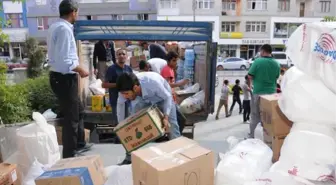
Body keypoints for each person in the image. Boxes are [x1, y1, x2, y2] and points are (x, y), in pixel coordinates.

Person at [47, 0, 92, 158]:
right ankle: (69, 154)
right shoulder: (64, 29)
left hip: (59, 78)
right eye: (77, 12)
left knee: (78, 111)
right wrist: (82, 71)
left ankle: (79, 143)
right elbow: (67, 60)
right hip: (65, 78)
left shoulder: (55, 26)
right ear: (73, 12)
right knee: (71, 117)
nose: (77, 15)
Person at [116, 72, 181, 165]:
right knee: (132, 126)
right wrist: (121, 128)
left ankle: (178, 156)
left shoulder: (153, 83)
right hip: (141, 99)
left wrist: (166, 117)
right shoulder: (124, 90)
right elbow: (120, 106)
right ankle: (129, 157)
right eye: (123, 94)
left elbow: (167, 97)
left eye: (126, 94)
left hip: (163, 98)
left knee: (172, 125)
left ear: (135, 88)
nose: (125, 97)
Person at [248, 44, 280, 138]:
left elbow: (250, 75)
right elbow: (277, 76)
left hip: (259, 93)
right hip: (272, 95)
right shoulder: (276, 63)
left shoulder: (258, 61)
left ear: (262, 51)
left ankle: (253, 137)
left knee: (255, 116)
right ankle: (268, 138)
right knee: (269, 117)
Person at [160, 51, 189, 133]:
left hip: (172, 99)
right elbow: (167, 85)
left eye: (176, 60)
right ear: (168, 61)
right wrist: (181, 83)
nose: (176, 63)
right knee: (180, 120)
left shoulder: (171, 70)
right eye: (174, 60)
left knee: (180, 120)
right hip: (168, 100)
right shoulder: (167, 70)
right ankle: (175, 138)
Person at [102, 49, 133, 125]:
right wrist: (118, 84)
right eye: (119, 54)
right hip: (116, 101)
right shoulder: (112, 69)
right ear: (116, 56)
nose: (121, 56)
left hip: (128, 101)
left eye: (123, 54)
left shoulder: (129, 69)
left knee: (128, 124)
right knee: (118, 125)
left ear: (127, 56)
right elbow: (104, 85)